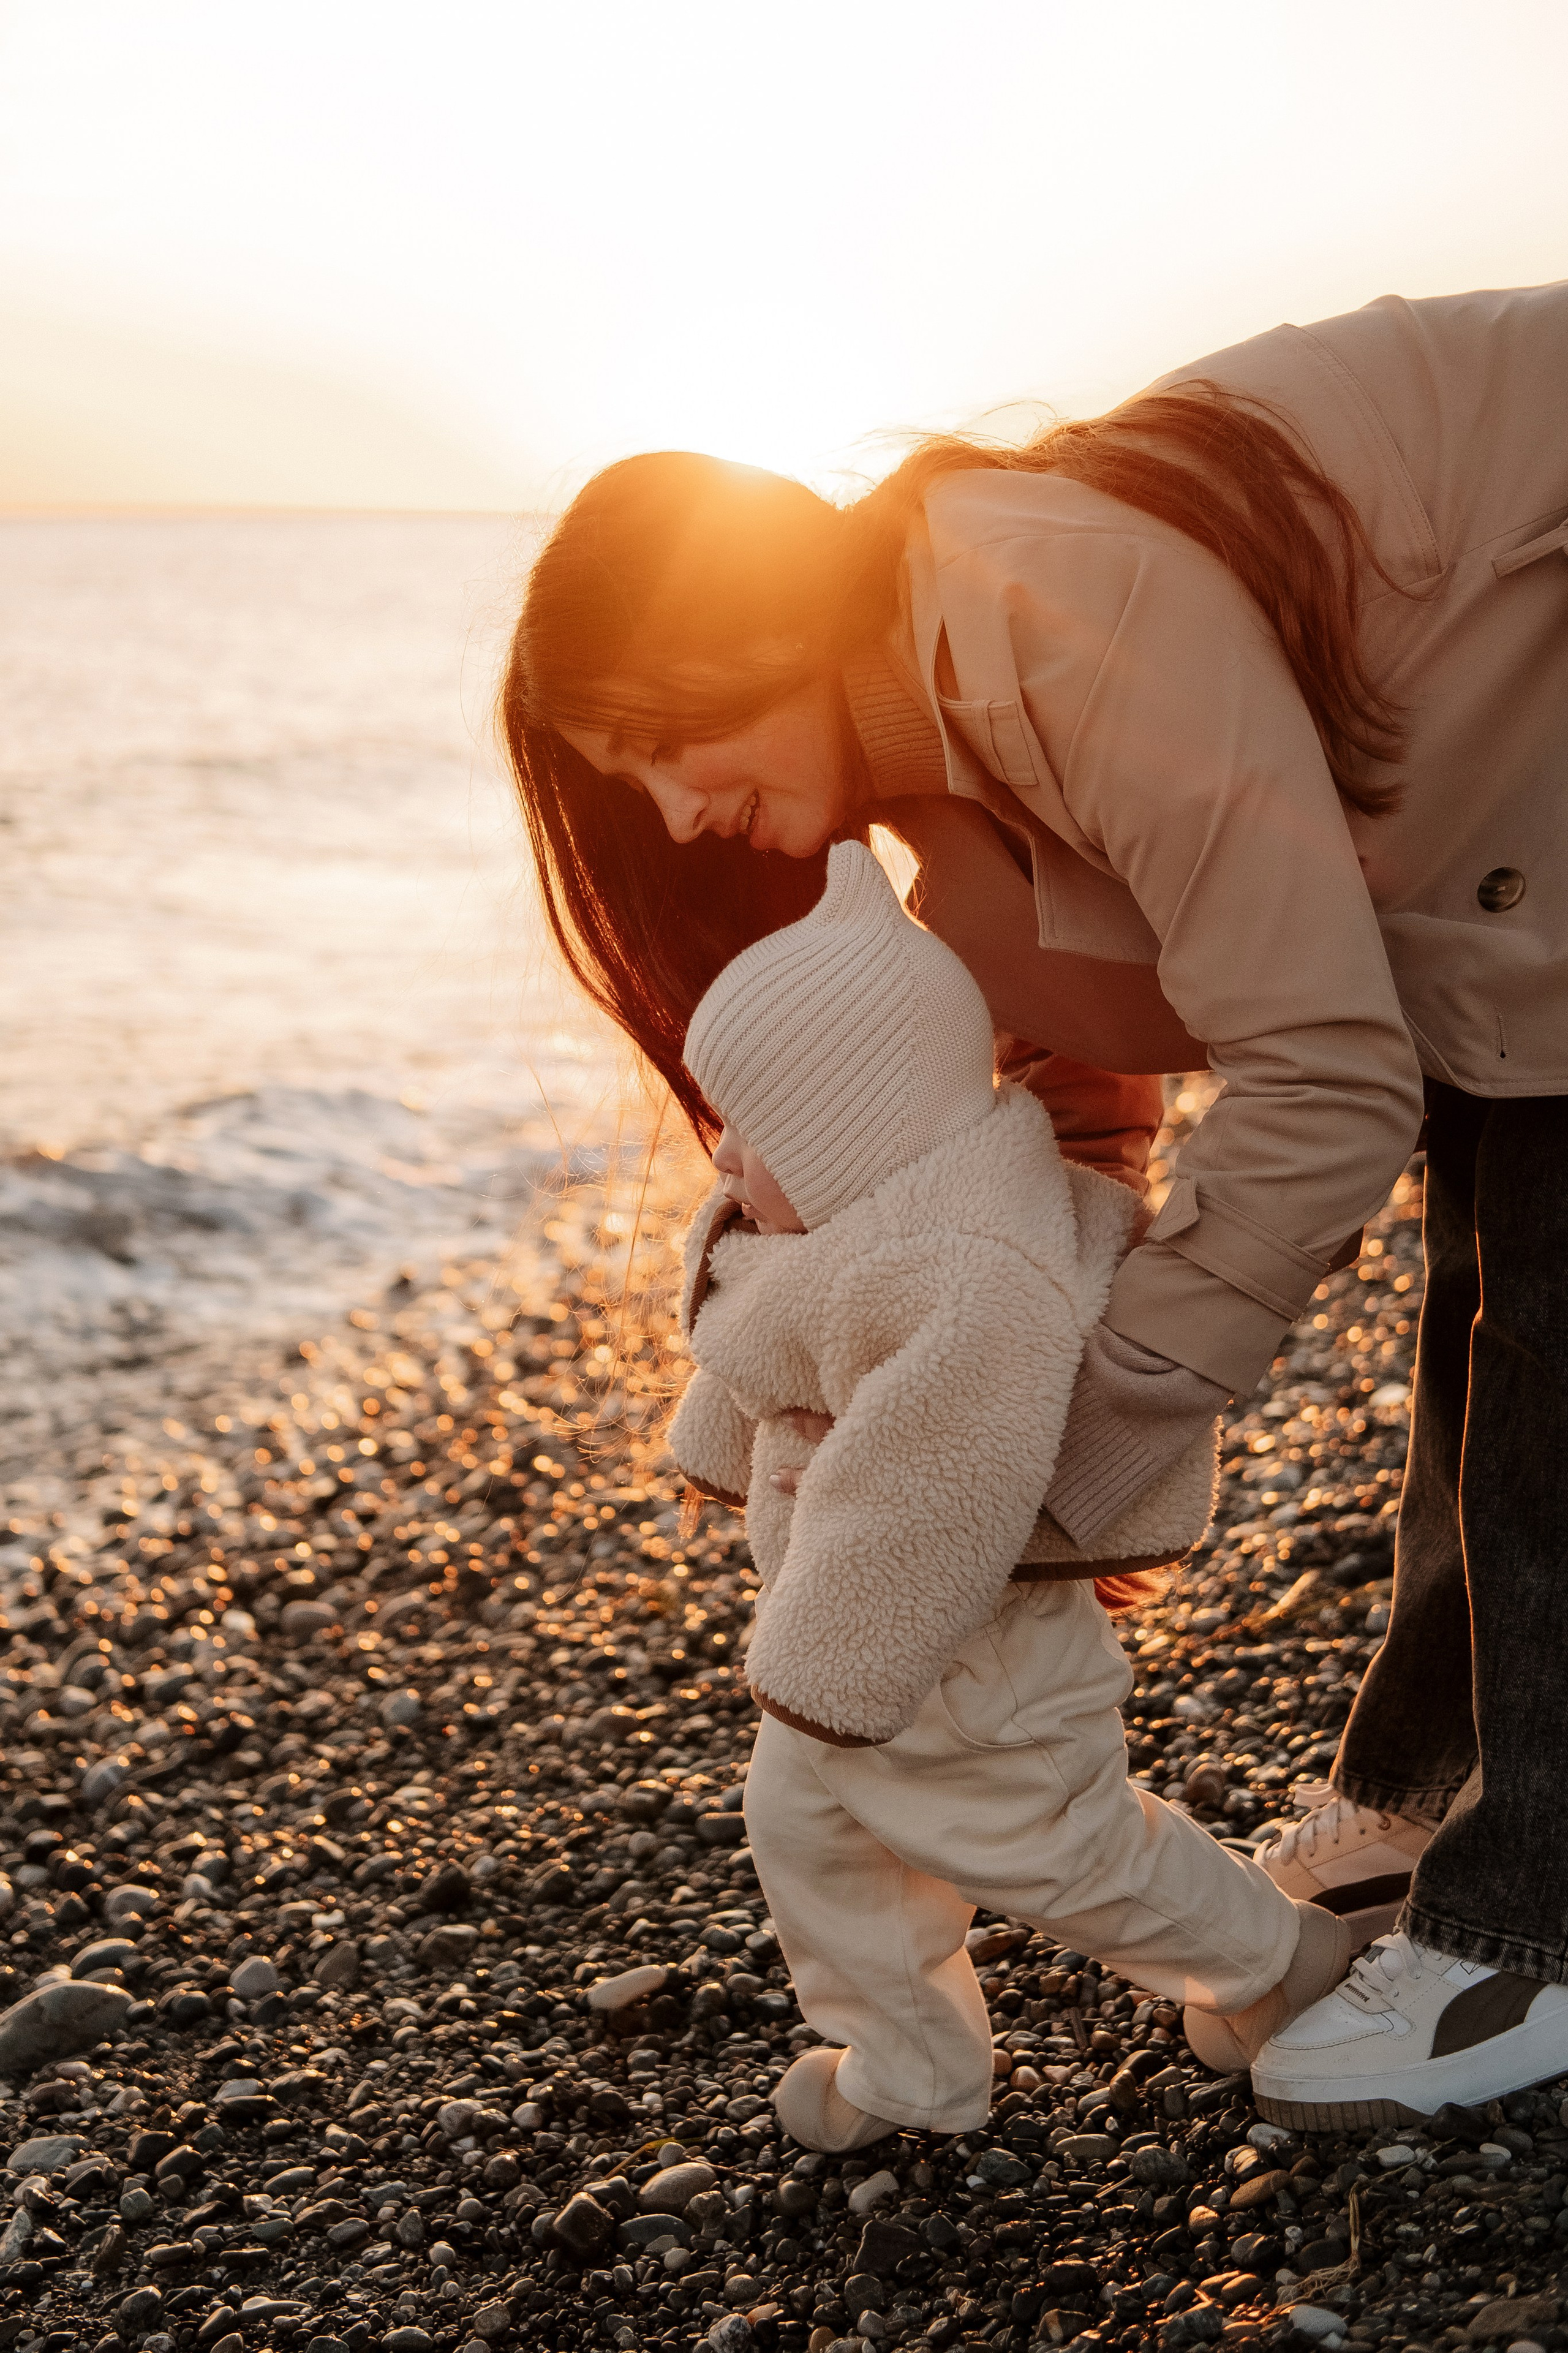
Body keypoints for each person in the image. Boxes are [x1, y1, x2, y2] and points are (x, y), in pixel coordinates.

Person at [500, 282, 1568, 2123]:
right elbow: (1080, 1094)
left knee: (1558, 1320)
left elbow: (1323, 1075)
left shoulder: (1037, 615)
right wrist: (1015, 1305)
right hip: (1509, 826)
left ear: (744, 626)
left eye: (661, 745)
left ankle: (1537, 1940)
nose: (675, 818)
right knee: (1497, 1293)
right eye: (633, 789)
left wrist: (1081, 1429)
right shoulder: (935, 786)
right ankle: (1422, 1804)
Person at [666, 836, 1351, 2150]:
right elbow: (758, 1343)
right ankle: (910, 2063)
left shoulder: (968, 1279)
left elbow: (920, 1491)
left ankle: (1275, 1963)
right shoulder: (824, 1237)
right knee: (809, 1832)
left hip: (967, 1651)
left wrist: (830, 1661)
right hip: (854, 1648)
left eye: (754, 1127)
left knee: (1055, 1845)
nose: (722, 1153)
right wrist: (716, 1449)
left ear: (852, 1134)